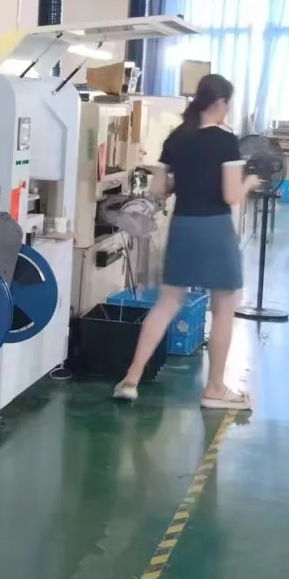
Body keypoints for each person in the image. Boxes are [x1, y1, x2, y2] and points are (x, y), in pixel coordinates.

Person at [113, 72, 258, 410]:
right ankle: (215, 389)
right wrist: (249, 182)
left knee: (168, 302)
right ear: (219, 103)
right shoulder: (226, 140)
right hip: (215, 228)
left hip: (183, 226)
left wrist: (186, 180)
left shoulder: (177, 137)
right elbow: (231, 195)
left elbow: (158, 188)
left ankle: (131, 379)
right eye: (227, 104)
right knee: (224, 304)